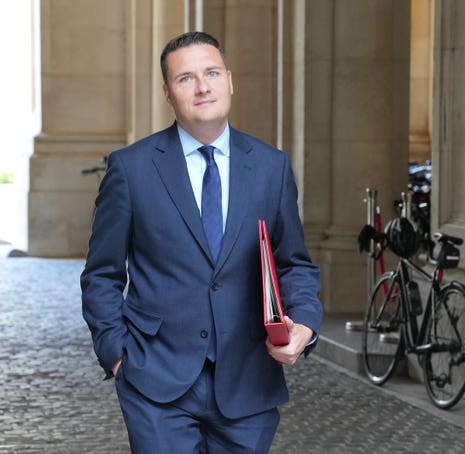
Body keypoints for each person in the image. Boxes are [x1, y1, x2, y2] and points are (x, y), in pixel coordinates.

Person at [81, 31, 323, 453]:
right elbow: (101, 273)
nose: (203, 86)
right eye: (186, 78)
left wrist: (303, 324)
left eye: (211, 73)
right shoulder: (131, 169)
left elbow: (293, 263)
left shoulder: (272, 167)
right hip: (155, 381)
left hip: (248, 382)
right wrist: (117, 355)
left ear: (229, 80)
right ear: (168, 94)